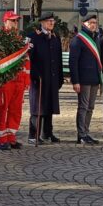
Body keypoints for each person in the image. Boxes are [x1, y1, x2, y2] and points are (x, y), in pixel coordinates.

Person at [0, 11, 28, 150]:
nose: (15, 23)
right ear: (5, 22)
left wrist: (26, 80)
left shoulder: (19, 39)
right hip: (5, 80)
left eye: (16, 21)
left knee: (15, 110)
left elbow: (26, 61)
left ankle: (11, 136)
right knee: (3, 108)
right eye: (12, 20)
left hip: (18, 81)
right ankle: (1, 137)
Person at [27, 12, 62, 145]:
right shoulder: (35, 37)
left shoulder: (55, 37)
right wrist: (34, 74)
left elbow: (57, 58)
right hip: (39, 78)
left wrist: (60, 77)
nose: (51, 23)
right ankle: (33, 135)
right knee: (38, 107)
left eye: (53, 21)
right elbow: (30, 58)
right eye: (49, 21)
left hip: (52, 77)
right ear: (42, 22)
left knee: (49, 106)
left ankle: (47, 133)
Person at [68, 14, 101, 145]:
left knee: (91, 107)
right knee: (83, 107)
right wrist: (75, 81)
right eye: (91, 22)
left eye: (95, 22)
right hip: (83, 79)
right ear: (84, 24)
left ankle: (86, 132)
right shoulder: (78, 39)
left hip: (94, 78)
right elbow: (73, 62)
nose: (93, 24)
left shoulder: (96, 38)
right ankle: (81, 134)